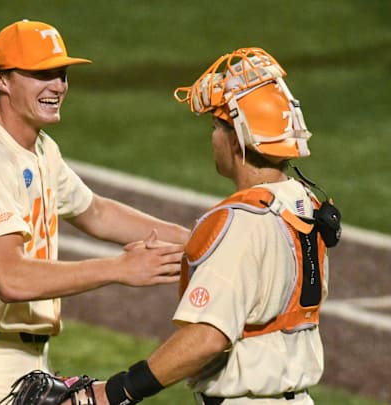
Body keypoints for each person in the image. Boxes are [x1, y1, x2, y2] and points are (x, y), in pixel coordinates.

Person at [0, 19, 190, 404]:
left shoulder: (41, 150)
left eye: (61, 73)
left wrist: (201, 239)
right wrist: (120, 268)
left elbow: (96, 212)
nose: (58, 86)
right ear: (1, 80)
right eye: (41, 74)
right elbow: (12, 277)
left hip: (26, 363)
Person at [77, 48, 339, 405]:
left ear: (236, 139)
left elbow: (208, 337)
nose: (213, 137)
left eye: (217, 126)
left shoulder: (240, 221)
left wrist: (116, 391)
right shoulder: (304, 202)